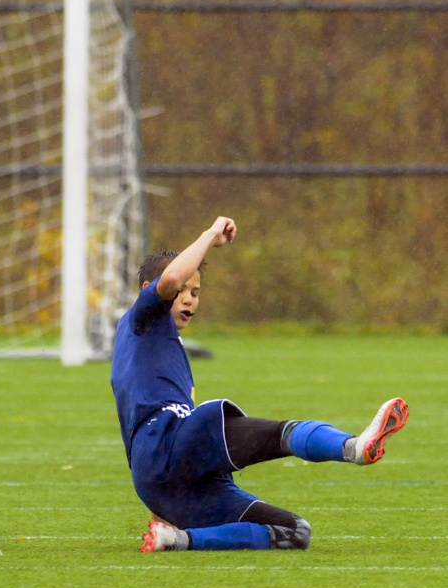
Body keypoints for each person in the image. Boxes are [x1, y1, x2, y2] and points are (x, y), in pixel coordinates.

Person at [110, 216, 409, 552]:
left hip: (162, 481)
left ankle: (177, 540)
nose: (189, 298)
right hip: (170, 446)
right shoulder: (143, 318)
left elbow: (138, 440)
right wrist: (210, 234)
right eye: (180, 292)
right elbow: (173, 275)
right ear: (148, 289)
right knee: (279, 435)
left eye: (196, 292)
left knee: (294, 531)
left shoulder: (152, 348)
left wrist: (161, 512)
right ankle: (353, 448)